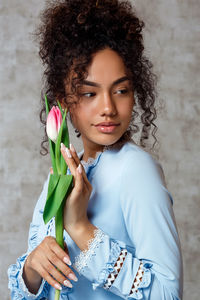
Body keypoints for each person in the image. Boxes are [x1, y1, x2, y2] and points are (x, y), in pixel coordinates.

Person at [8, 0, 183, 299]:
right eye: (89, 93)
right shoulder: (60, 177)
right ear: (64, 102)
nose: (108, 108)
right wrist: (33, 270)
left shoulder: (137, 171)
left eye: (121, 91)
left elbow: (168, 294)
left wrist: (80, 227)